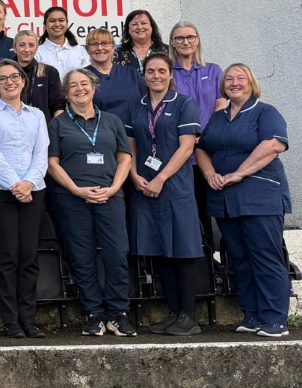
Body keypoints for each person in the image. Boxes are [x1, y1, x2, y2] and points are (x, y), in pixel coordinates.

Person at [197, 64, 292, 338]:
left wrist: (240, 172)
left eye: (241, 78)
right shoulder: (219, 116)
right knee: (239, 258)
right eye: (229, 79)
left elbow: (273, 145)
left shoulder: (266, 112)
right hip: (225, 199)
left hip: (259, 197)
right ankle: (252, 316)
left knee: (265, 256)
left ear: (251, 83)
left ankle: (275, 320)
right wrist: (210, 173)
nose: (234, 83)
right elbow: (202, 148)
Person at [46, 68, 136, 337]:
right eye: (72, 85)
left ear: (94, 88)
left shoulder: (112, 121)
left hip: (110, 197)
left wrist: (113, 188)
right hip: (73, 199)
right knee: (82, 257)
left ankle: (118, 313)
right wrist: (76, 189)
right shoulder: (58, 124)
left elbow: (125, 158)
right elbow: (51, 163)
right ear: (66, 92)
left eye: (84, 83)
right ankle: (94, 314)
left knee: (117, 253)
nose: (79, 89)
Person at [125, 53, 203, 337]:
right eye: (150, 71)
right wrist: (133, 175)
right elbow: (130, 146)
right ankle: (174, 313)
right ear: (144, 75)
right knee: (159, 250)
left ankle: (188, 317)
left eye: (161, 71)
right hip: (144, 187)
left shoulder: (184, 104)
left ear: (171, 74)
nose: (156, 75)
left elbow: (186, 148)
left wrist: (160, 178)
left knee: (181, 250)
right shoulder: (137, 106)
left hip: (174, 188)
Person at [0, 58, 49, 339]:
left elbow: (41, 152)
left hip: (33, 189)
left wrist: (29, 183)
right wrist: (15, 184)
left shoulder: (36, 115)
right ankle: (11, 321)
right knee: (6, 258)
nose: (10, 82)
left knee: (29, 257)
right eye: (3, 78)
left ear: (23, 80)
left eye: (14, 77)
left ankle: (28, 320)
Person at [170, 21, 226, 247]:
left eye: (190, 37)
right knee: (188, 208)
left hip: (210, 150)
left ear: (198, 40)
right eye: (180, 38)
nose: (185, 42)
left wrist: (207, 135)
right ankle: (198, 260)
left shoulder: (213, 70)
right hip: (179, 152)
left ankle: (215, 260)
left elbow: (221, 106)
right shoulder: (166, 71)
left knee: (211, 206)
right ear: (172, 42)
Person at [85, 28, 146, 120]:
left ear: (113, 47)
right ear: (87, 49)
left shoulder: (131, 73)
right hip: (102, 132)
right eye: (94, 44)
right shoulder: (83, 77)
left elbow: (147, 101)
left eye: (105, 43)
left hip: (136, 131)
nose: (100, 48)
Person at [13, 31, 66, 118]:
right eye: (22, 45)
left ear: (37, 48)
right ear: (15, 48)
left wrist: (55, 128)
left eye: (31, 45)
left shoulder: (49, 72)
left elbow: (58, 106)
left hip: (44, 128)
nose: (26, 50)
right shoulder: (4, 72)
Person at [34, 7, 89, 78]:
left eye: (61, 20)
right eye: (52, 21)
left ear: (67, 23)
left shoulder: (80, 51)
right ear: (45, 25)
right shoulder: (37, 52)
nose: (57, 24)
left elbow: (88, 78)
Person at [114, 10, 168, 74]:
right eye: (134, 24)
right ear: (128, 29)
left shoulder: (167, 51)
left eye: (143, 23)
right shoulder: (118, 53)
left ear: (151, 27)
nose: (139, 27)